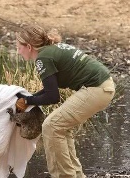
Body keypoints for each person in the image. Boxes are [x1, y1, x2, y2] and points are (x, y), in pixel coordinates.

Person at [14, 24, 115, 178]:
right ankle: (75, 175)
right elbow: (50, 90)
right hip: (102, 87)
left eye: (18, 46)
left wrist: (27, 100)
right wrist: (28, 100)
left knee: (51, 126)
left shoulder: (43, 58)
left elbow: (53, 97)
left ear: (28, 46)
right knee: (60, 128)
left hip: (96, 88)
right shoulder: (51, 50)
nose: (17, 51)